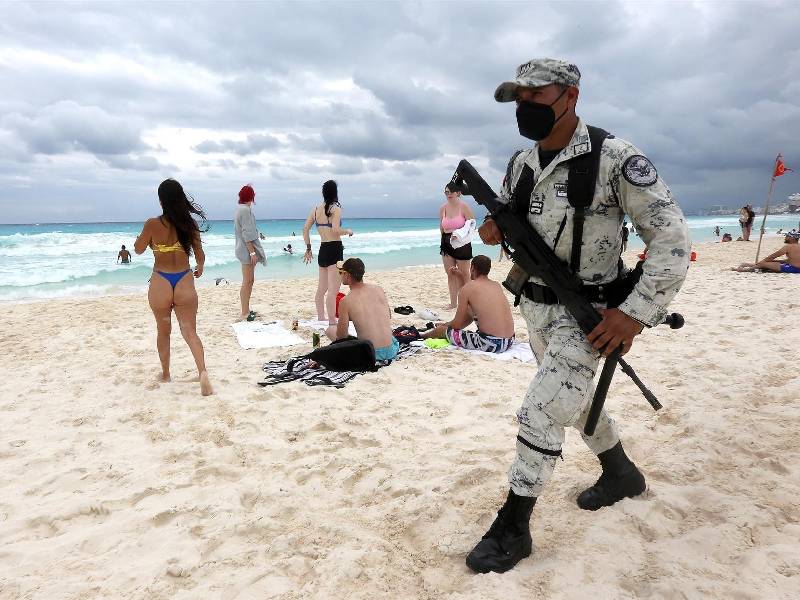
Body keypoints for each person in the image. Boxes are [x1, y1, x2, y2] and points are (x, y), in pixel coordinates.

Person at [466, 58, 690, 574]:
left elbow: (672, 240)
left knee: (542, 409)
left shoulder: (615, 159)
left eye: (535, 97)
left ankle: (513, 527)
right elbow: (514, 223)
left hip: (591, 313)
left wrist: (633, 316)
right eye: (517, 100)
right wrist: (494, 231)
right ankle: (620, 473)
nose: (524, 109)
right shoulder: (522, 163)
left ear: (570, 97)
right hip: (536, 306)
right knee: (576, 398)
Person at [134, 179, 213, 396]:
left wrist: (145, 240)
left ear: (161, 201)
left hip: (161, 280)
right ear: (181, 199)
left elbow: (138, 249)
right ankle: (203, 372)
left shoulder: (152, 224)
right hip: (184, 280)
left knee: (163, 330)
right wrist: (201, 267)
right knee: (189, 331)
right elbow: (200, 256)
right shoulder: (190, 225)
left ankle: (166, 374)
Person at [421, 255, 515, 353]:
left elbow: (456, 324)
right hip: (509, 341)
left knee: (441, 331)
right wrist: (461, 277)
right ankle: (444, 327)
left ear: (472, 267)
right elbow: (471, 303)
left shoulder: (468, 289)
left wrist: (445, 326)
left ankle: (421, 336)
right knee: (471, 312)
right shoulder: (496, 285)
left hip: (491, 343)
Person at [325, 258, 399, 361]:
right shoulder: (378, 289)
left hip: (371, 354)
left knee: (330, 330)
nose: (340, 275)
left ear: (347, 275)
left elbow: (341, 336)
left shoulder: (345, 301)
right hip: (391, 349)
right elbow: (388, 315)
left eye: (341, 272)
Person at [302, 180, 353, 324]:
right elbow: (336, 230)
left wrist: (308, 248)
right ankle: (331, 321)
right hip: (335, 250)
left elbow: (305, 229)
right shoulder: (336, 208)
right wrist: (347, 231)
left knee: (321, 289)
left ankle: (321, 318)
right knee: (333, 290)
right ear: (335, 193)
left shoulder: (316, 209)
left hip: (322, 250)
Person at [234, 184, 267, 321]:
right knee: (247, 281)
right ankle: (244, 312)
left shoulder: (242, 209)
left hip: (244, 249)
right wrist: (252, 253)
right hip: (246, 251)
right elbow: (246, 234)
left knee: (249, 281)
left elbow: (248, 231)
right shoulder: (245, 210)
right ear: (251, 197)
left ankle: (246, 309)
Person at [440, 184, 476, 308]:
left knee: (464, 274)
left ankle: (468, 301)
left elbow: (472, 225)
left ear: (458, 193)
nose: (448, 194)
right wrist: (442, 242)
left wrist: (459, 234)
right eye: (446, 192)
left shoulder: (464, 207)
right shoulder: (443, 208)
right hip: (446, 242)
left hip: (462, 242)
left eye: (451, 192)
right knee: (450, 273)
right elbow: (442, 227)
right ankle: (453, 303)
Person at [733, 232, 800, 272]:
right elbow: (793, 259)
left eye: (787, 236)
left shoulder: (789, 247)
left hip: (794, 268)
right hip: (795, 266)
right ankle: (747, 265)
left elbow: (774, 255)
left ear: (792, 238)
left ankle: (745, 270)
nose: (785, 237)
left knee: (763, 264)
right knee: (770, 263)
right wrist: (773, 261)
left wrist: (763, 261)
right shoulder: (797, 246)